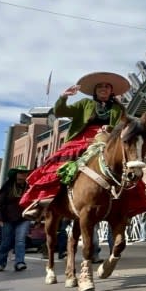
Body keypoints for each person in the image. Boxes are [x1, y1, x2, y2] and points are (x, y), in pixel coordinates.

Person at [21, 72, 130, 219]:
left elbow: (124, 126)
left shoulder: (119, 109)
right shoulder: (85, 103)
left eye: (107, 87)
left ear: (112, 91)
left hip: (107, 140)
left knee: (129, 166)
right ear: (95, 91)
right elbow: (60, 111)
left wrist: (111, 129)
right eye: (100, 87)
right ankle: (42, 202)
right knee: (58, 166)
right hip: (82, 139)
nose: (103, 89)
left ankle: (126, 207)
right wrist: (64, 97)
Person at [0, 166, 31, 271]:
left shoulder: (29, 188)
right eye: (21, 173)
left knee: (20, 241)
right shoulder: (7, 187)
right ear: (16, 175)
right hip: (7, 219)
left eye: (25, 173)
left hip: (24, 218)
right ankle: (0, 263)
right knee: (6, 241)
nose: (23, 175)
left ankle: (20, 262)